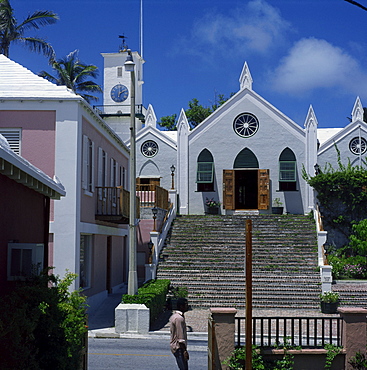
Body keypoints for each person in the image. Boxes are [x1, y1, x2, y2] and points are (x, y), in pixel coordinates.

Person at [169, 297, 189, 370]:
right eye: (186, 305)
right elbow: (180, 337)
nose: (187, 306)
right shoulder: (179, 319)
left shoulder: (176, 316)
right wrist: (184, 351)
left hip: (178, 347)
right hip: (179, 348)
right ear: (181, 306)